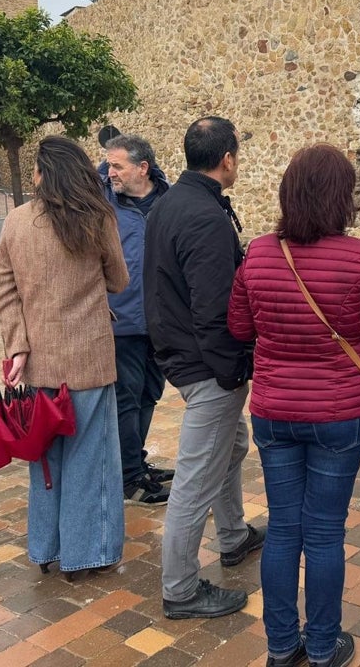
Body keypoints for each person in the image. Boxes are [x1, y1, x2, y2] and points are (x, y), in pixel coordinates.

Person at [228, 144, 360, 667]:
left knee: (284, 528)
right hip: (339, 415)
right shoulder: (358, 258)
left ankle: (282, 647)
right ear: (341, 199)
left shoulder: (258, 253)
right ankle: (324, 648)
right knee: (324, 530)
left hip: (275, 411)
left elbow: (239, 328)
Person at [0, 135, 130, 580]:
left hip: (38, 364)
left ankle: (46, 549)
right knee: (91, 460)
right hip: (89, 357)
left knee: (45, 462)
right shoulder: (97, 217)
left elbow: (4, 292)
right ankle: (85, 554)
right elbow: (120, 281)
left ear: (39, 174)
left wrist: (17, 346)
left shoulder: (15, 222)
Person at [144, 116, 264, 619]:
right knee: (194, 479)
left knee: (231, 444)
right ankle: (182, 590)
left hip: (179, 353)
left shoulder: (168, 204)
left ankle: (233, 535)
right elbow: (215, 310)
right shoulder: (205, 218)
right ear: (228, 159)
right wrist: (232, 369)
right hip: (206, 364)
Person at [99, 134, 173, 506]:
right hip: (121, 321)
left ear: (142, 168)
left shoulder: (168, 200)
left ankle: (136, 463)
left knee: (148, 395)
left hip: (160, 322)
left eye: (118, 165)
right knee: (125, 398)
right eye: (108, 164)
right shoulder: (102, 204)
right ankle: (128, 478)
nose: (111, 172)